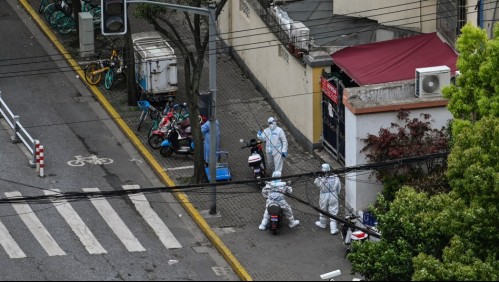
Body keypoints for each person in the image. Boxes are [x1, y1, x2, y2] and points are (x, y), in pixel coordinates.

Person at [314, 163, 341, 235]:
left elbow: (316, 184)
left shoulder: (320, 178)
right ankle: (333, 229)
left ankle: (323, 224)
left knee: (323, 209)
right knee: (333, 210)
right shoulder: (335, 177)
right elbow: (339, 187)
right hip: (333, 194)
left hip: (324, 195)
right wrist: (337, 194)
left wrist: (318, 177)